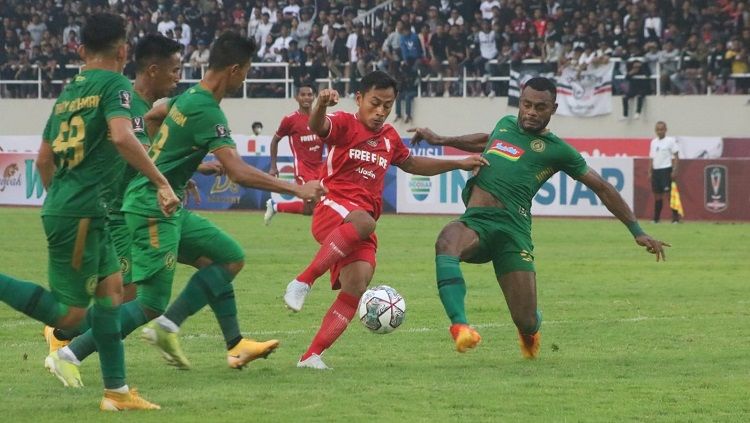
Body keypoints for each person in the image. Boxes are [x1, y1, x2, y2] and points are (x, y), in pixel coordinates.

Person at [408, 77, 670, 358]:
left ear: (553, 109)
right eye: (526, 104)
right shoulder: (505, 124)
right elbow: (486, 140)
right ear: (520, 103)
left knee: (525, 319)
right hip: (477, 222)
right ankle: (461, 328)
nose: (531, 112)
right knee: (446, 240)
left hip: (513, 232)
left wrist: (636, 230)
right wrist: (439, 139)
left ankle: (531, 331)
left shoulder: (558, 150)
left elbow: (602, 187)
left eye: (540, 107)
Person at [0, 13, 180, 410]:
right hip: (82, 211)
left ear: (82, 49)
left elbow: (45, 158)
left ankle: (116, 393)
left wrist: (61, 197)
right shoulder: (115, 84)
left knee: (112, 295)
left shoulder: (70, 92)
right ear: (122, 49)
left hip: (84, 210)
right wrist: (161, 181)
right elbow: (121, 136)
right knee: (71, 316)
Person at [42, 34, 223, 380]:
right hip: (117, 213)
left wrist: (185, 173)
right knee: (132, 299)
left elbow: (146, 151)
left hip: (132, 209)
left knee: (136, 294)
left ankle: (82, 358)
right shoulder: (120, 100)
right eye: (175, 69)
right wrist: (162, 183)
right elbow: (127, 144)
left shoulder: (126, 104)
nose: (178, 76)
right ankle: (67, 341)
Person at [283, 71, 488, 370]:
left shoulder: (389, 137)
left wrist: (457, 162)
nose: (380, 112)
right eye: (375, 103)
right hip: (333, 207)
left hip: (359, 222)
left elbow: (413, 163)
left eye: (387, 106)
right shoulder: (344, 122)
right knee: (367, 224)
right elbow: (317, 125)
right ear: (360, 99)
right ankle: (302, 281)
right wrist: (320, 104)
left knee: (358, 281)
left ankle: (311, 356)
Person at [264, 83, 324, 223]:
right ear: (296, 97)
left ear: (314, 97)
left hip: (321, 168)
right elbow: (275, 141)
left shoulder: (320, 118)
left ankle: (275, 206)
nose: (306, 98)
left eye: (309, 94)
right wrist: (273, 166)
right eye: (303, 95)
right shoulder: (290, 120)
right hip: (303, 169)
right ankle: (331, 234)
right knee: (320, 203)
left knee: (310, 209)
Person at [649, 121, 680, 223]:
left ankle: (675, 218)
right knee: (657, 195)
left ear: (665, 130)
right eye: (657, 129)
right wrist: (650, 171)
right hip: (656, 171)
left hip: (666, 170)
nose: (659, 131)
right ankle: (656, 219)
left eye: (661, 129)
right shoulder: (653, 142)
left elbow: (676, 156)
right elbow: (651, 157)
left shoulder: (670, 141)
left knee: (669, 195)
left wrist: (674, 170)